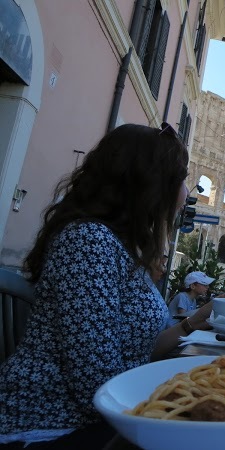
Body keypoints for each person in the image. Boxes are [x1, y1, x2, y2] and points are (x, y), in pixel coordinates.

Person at [0, 123, 213, 449]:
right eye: (182, 179)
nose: (187, 193)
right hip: (47, 426)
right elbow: (95, 382)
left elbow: (135, 353)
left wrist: (193, 323)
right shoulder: (88, 240)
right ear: (150, 182)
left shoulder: (120, 247)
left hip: (98, 417)